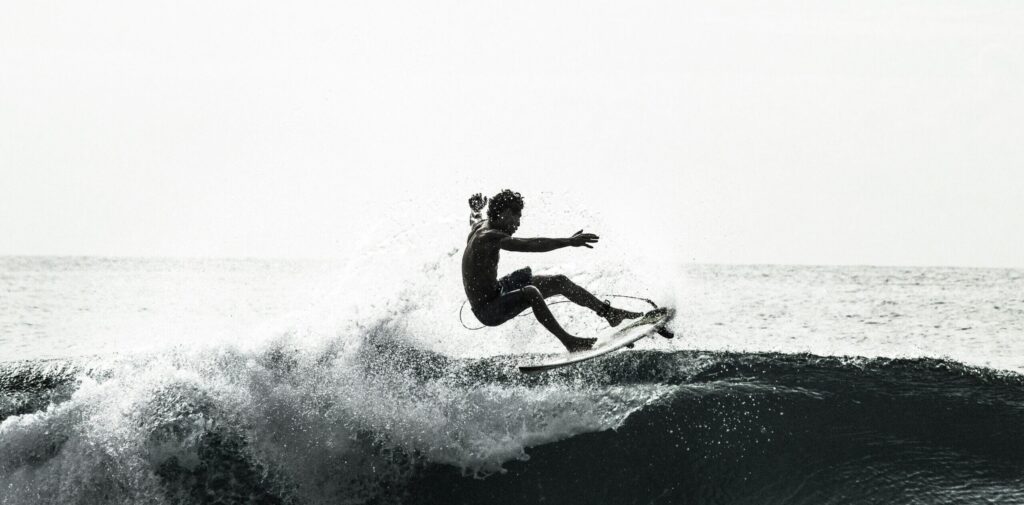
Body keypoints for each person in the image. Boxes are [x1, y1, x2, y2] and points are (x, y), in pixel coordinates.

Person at [462, 189, 642, 352]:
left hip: (498, 290)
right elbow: (530, 245)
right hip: (488, 309)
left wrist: (475, 210)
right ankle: (569, 342)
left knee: (558, 281)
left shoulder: (481, 226)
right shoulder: (488, 237)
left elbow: (474, 219)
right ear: (506, 213)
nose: (518, 223)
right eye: (517, 217)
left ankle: (609, 313)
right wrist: (569, 241)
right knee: (531, 292)